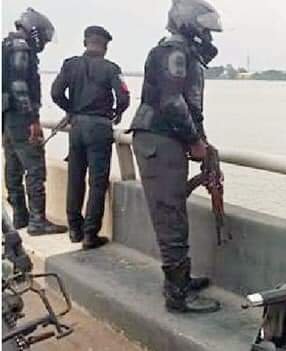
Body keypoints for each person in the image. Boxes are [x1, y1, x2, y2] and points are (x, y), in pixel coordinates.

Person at [129, 0, 223, 314]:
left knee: (174, 214)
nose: (209, 36)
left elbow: (190, 106)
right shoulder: (173, 52)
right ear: (188, 23)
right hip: (159, 140)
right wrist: (195, 141)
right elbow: (172, 102)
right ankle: (177, 294)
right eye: (205, 28)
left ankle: (180, 279)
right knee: (170, 215)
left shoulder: (182, 52)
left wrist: (202, 141)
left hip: (166, 139)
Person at [50, 26, 130, 249]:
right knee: (97, 182)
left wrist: (72, 110)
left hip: (76, 128)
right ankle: (90, 234)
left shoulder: (70, 65)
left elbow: (56, 93)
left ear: (86, 43)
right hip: (100, 128)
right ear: (105, 47)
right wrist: (117, 112)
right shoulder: (111, 69)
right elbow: (123, 96)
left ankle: (74, 228)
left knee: (75, 177)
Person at [2, 8, 67, 235]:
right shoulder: (21, 48)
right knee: (35, 168)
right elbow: (20, 87)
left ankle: (20, 215)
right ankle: (37, 221)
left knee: (13, 166)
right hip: (20, 118)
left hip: (7, 118)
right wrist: (32, 119)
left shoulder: (6, 46)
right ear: (35, 31)